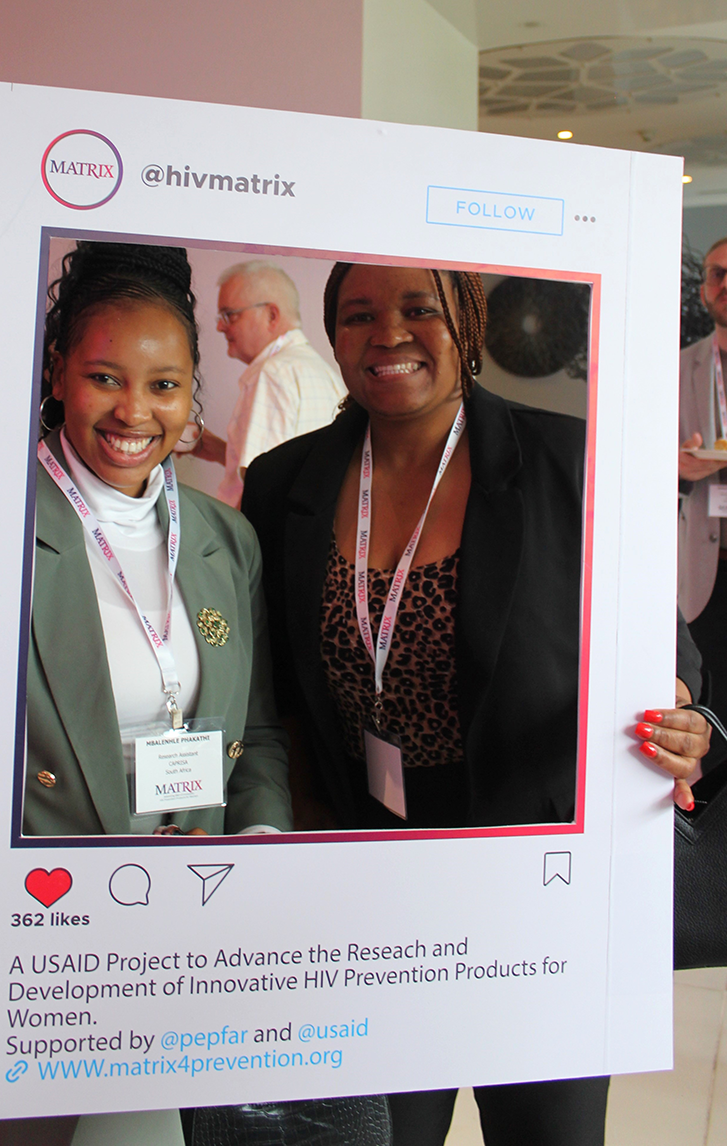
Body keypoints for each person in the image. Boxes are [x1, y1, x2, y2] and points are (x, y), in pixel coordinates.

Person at [242, 261, 709, 1144]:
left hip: (535, 880)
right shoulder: (281, 484)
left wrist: (683, 721)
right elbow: (274, 688)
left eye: (420, 309)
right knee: (382, 1131)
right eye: (358, 314)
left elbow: (671, 661)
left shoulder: (571, 466)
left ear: (470, 324)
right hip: (365, 870)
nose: (388, 334)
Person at [0, 243, 293, 1146]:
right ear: (57, 375)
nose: (135, 411)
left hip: (194, 926)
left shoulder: (224, 538)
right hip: (44, 938)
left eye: (165, 384)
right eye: (104, 377)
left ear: (190, 394)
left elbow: (256, 728)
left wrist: (259, 840)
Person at [192, 260, 345, 508]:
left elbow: (260, 486)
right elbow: (287, 470)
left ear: (271, 315)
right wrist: (224, 452)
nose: (220, 327)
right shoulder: (324, 373)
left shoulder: (272, 374)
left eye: (229, 315)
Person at [679, 235, 727, 759]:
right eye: (716, 273)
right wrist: (675, 468)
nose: (725, 283)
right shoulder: (675, 368)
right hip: (703, 567)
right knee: (710, 706)